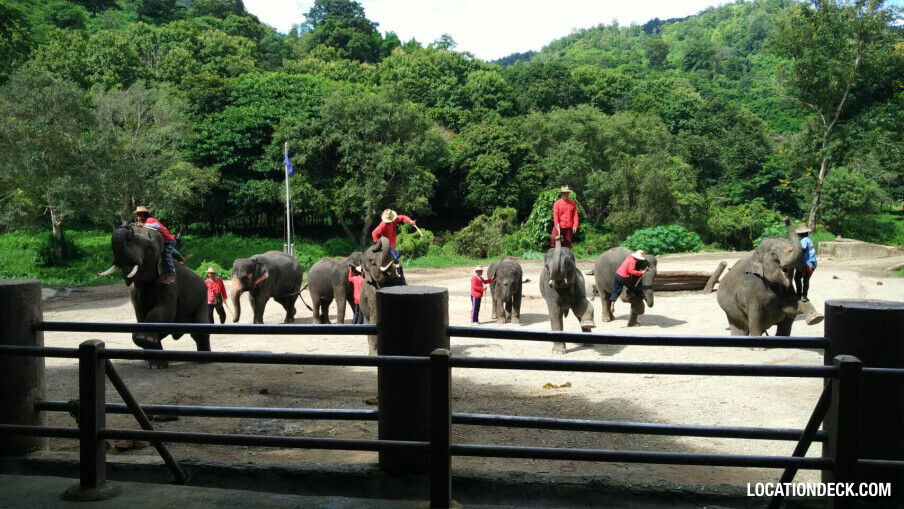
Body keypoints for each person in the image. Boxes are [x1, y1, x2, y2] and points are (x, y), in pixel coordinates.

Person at [134, 206, 182, 284]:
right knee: (167, 250)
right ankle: (180, 257)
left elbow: (156, 226)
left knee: (166, 255)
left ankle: (172, 275)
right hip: (163, 241)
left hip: (168, 240)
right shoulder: (146, 222)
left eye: (138, 215)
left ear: (143, 215)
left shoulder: (150, 220)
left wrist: (144, 225)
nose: (137, 217)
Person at [371, 208, 416, 280]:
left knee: (396, 257)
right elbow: (374, 233)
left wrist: (410, 221)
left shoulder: (394, 220)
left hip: (392, 243)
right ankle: (400, 275)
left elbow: (402, 217)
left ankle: (399, 274)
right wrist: (378, 244)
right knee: (396, 257)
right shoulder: (383, 225)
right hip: (387, 245)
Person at [609, 250, 648, 316]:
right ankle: (628, 294)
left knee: (616, 291)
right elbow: (631, 271)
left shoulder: (629, 257)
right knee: (634, 286)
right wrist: (641, 272)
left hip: (617, 274)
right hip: (623, 276)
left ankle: (612, 304)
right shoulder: (633, 261)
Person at [794, 223, 817, 302]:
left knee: (797, 278)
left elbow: (803, 248)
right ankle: (804, 296)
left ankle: (799, 295)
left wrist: (793, 250)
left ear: (801, 233)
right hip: (813, 262)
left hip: (806, 263)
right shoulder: (809, 239)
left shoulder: (803, 240)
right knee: (806, 280)